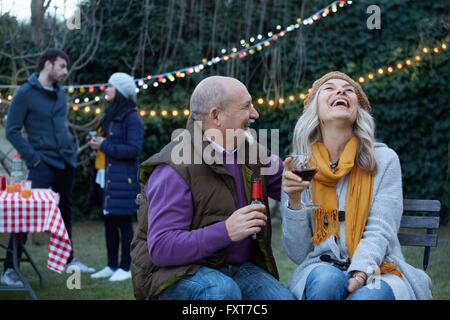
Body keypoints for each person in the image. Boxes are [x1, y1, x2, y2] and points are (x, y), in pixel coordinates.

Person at [130, 76, 294, 300]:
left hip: (235, 267)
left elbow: (290, 181)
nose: (255, 114)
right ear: (216, 116)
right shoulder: (174, 167)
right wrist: (226, 230)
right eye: (247, 106)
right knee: (221, 292)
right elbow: (161, 249)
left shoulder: (251, 153)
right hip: (174, 273)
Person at [281, 71, 432, 300]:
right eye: (329, 88)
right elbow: (298, 252)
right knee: (325, 281)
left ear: (357, 111)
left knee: (367, 297)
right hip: (320, 267)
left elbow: (380, 229)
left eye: (348, 89)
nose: (341, 90)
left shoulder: (383, 160)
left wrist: (360, 273)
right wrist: (293, 202)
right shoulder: (300, 165)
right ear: (315, 109)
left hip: (379, 268)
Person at [2, 49, 95, 287]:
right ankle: (10, 269)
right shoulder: (25, 93)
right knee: (24, 214)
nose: (65, 71)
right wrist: (34, 159)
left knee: (65, 211)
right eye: (62, 66)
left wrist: (71, 149)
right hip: (41, 163)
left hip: (66, 161)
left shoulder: (61, 95)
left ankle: (68, 259)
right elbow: (12, 129)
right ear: (48, 64)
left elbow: (60, 127)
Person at [88, 73, 144, 282]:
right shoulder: (110, 115)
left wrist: (103, 145)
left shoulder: (132, 118)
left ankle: (125, 267)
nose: (106, 90)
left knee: (123, 222)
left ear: (120, 91)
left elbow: (133, 150)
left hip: (123, 179)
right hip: (106, 176)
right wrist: (96, 144)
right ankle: (111, 265)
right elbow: (108, 144)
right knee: (109, 221)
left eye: (110, 86)